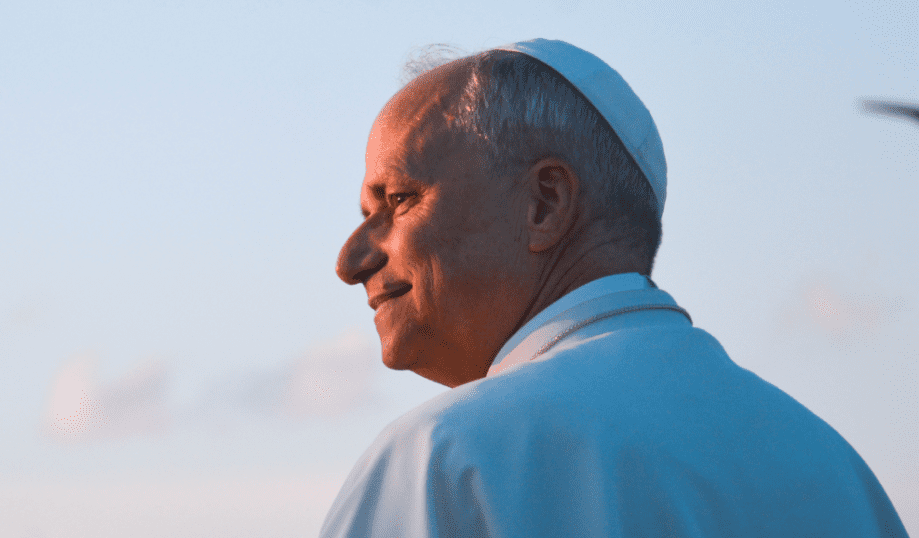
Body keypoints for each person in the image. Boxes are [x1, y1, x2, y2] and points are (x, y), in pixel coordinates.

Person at [323, 38, 909, 538]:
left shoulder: (445, 459)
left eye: (398, 200)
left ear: (545, 203)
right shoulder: (837, 472)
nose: (351, 262)